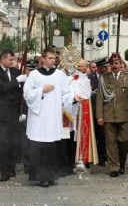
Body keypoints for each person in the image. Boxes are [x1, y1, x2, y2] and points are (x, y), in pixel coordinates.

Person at [24, 48, 81, 188]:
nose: (53, 60)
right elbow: (27, 94)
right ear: (42, 59)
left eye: (54, 58)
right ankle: (40, 176)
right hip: (38, 117)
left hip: (53, 116)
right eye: (50, 58)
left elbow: (64, 94)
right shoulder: (34, 75)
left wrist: (73, 98)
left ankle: (51, 175)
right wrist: (41, 90)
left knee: (52, 147)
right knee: (39, 147)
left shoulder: (59, 75)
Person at [0, 49, 27, 182]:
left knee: (14, 142)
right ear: (3, 59)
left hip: (14, 112)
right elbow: (1, 88)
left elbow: (18, 92)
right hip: (0, 114)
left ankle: (11, 168)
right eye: (10, 60)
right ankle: (4, 170)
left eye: (13, 60)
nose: (13, 62)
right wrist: (16, 82)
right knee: (2, 143)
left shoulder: (16, 71)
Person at [96, 53, 128, 178]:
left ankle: (122, 163)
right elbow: (99, 98)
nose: (115, 65)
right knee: (110, 142)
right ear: (110, 65)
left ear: (121, 64)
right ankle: (114, 167)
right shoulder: (104, 78)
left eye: (117, 63)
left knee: (124, 141)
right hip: (108, 114)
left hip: (124, 114)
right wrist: (99, 116)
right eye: (112, 63)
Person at [88, 57, 109, 166]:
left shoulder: (108, 78)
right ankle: (92, 156)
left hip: (105, 111)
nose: (105, 69)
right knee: (93, 134)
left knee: (102, 135)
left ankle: (102, 157)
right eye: (103, 67)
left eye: (106, 67)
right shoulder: (89, 78)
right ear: (98, 68)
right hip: (92, 110)